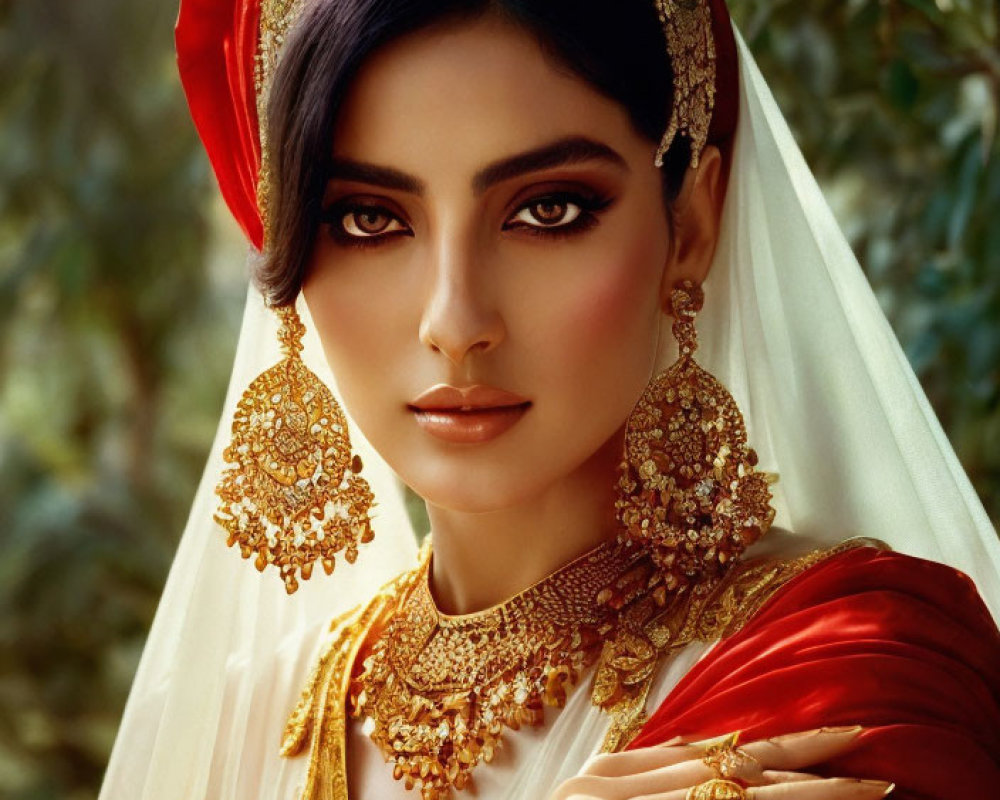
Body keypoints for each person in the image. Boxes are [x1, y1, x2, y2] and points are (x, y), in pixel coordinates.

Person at [99, 1, 1000, 799]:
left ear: (690, 225)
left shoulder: (842, 674)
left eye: (549, 211)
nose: (455, 321)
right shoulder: (230, 724)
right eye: (369, 218)